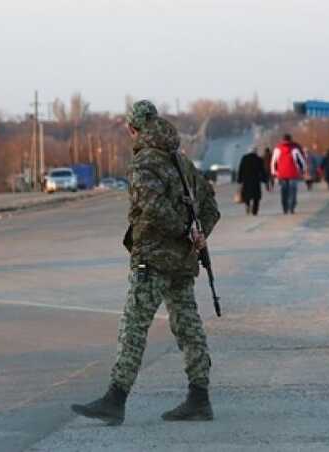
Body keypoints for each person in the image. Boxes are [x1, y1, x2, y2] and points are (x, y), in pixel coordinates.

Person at [71, 100, 221, 425]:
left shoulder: (144, 163)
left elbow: (151, 208)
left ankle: (115, 399)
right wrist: (197, 234)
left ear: (132, 129)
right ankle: (199, 398)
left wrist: (185, 230)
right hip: (182, 262)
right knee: (188, 327)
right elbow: (211, 206)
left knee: (134, 327)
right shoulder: (181, 161)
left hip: (152, 260)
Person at [271, 133, 305, 214]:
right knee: (293, 190)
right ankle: (292, 207)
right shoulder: (295, 149)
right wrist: (303, 170)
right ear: (290, 139)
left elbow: (273, 162)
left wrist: (274, 172)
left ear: (283, 140)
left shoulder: (277, 149)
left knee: (284, 191)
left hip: (281, 174)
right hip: (293, 173)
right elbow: (301, 161)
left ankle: (285, 207)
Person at [237, 147, 268, 215]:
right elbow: (262, 170)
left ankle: (247, 205)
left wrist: (239, 179)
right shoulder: (259, 159)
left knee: (247, 194)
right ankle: (255, 210)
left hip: (246, 180)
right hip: (256, 180)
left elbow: (241, 169)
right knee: (256, 196)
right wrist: (265, 180)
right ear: (255, 151)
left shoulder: (244, 158)